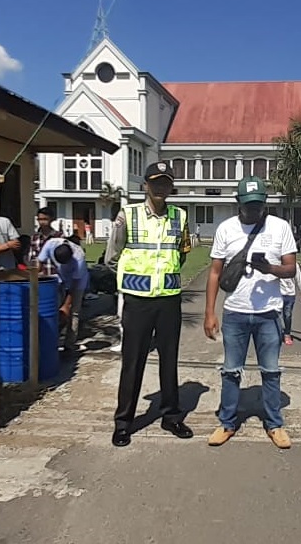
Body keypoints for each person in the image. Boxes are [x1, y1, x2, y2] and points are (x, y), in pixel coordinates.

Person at [204, 176, 297, 449]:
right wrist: (209, 313)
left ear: (265, 203)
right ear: (238, 203)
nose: (253, 210)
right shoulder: (226, 229)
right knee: (231, 371)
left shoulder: (280, 227)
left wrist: (270, 269)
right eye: (248, 205)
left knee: (271, 371)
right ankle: (227, 422)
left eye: (258, 205)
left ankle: (274, 424)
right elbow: (215, 272)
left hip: (269, 314)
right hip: (235, 313)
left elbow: (290, 269)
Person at [105, 161, 193, 447]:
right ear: (145, 185)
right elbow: (112, 256)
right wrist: (134, 281)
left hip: (168, 300)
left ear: (171, 187)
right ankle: (123, 423)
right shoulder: (128, 215)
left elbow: (182, 253)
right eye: (155, 182)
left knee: (169, 362)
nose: (160, 188)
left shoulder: (180, 216)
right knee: (132, 363)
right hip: (138, 300)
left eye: (166, 183)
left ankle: (171, 417)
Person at [37, 238, 89, 352]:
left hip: (78, 283)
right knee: (55, 310)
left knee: (73, 312)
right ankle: (53, 340)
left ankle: (69, 345)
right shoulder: (50, 244)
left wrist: (66, 305)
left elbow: (74, 286)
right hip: (60, 279)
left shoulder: (78, 257)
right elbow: (39, 262)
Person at [280, 262, 301, 346]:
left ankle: (287, 334)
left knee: (287, 315)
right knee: (276, 315)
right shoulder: (275, 261)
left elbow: (299, 280)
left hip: (290, 294)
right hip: (277, 294)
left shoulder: (294, 265)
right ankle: (275, 334)